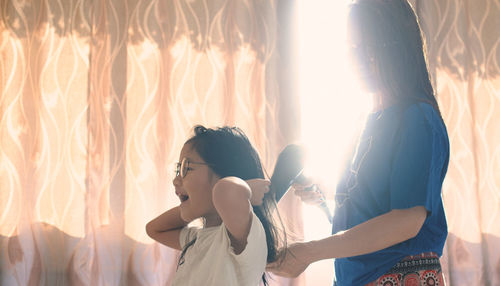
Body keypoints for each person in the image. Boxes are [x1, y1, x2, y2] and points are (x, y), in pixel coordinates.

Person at [267, 0, 450, 285]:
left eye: (372, 47)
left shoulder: (416, 118)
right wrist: (325, 194)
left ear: (400, 46)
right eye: (353, 48)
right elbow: (369, 206)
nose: (361, 59)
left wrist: (308, 251)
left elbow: (405, 221)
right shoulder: (368, 123)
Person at [146, 125, 283, 286]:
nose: (176, 180)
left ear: (225, 174)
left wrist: (246, 190)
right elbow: (154, 229)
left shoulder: (240, 235)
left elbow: (225, 191)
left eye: (186, 168)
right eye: (178, 169)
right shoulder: (197, 238)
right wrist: (195, 205)